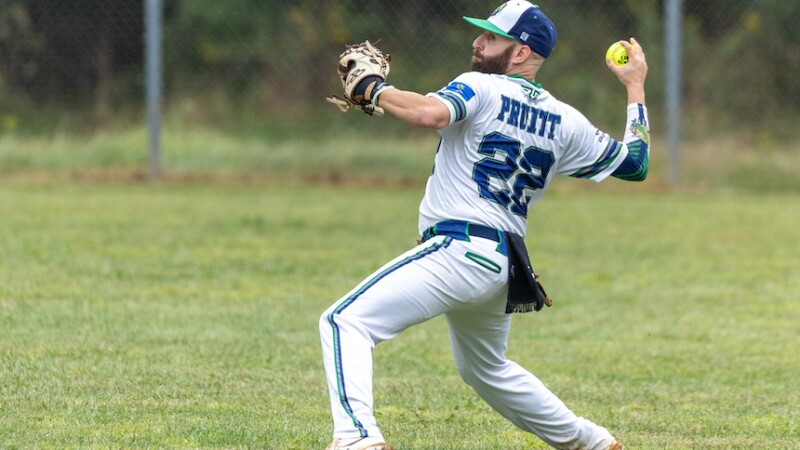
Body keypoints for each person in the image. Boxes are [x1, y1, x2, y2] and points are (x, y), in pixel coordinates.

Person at [320, 1, 649, 449]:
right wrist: (634, 88)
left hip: (458, 249)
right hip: (503, 265)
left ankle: (358, 439)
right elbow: (635, 163)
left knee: (344, 322)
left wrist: (376, 89)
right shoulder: (566, 120)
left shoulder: (481, 86)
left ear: (519, 53)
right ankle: (591, 443)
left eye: (492, 37)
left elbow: (428, 114)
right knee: (485, 369)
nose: (478, 41)